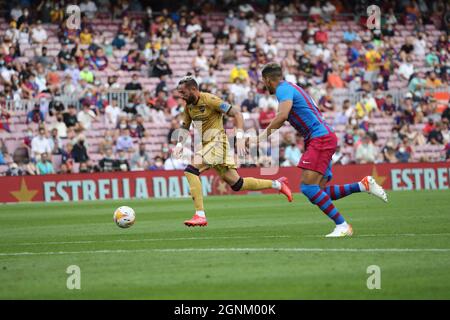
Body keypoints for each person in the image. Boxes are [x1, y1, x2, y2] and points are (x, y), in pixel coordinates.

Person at [258, 63, 387, 237]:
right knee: (318, 190)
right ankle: (362, 185)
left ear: (267, 79)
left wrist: (261, 137)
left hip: (320, 138)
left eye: (263, 82)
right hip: (323, 136)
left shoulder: (282, 89)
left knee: (308, 188)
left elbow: (282, 116)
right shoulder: (294, 88)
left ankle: (342, 226)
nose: (264, 85)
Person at [172, 76, 292, 227]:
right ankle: (277, 184)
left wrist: (240, 135)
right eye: (179, 93)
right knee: (238, 184)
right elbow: (185, 127)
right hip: (207, 146)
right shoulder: (188, 107)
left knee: (191, 170)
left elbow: (237, 113)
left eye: (183, 92)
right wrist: (179, 145)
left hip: (217, 144)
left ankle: (200, 215)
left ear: (194, 89)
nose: (181, 96)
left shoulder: (210, 100)